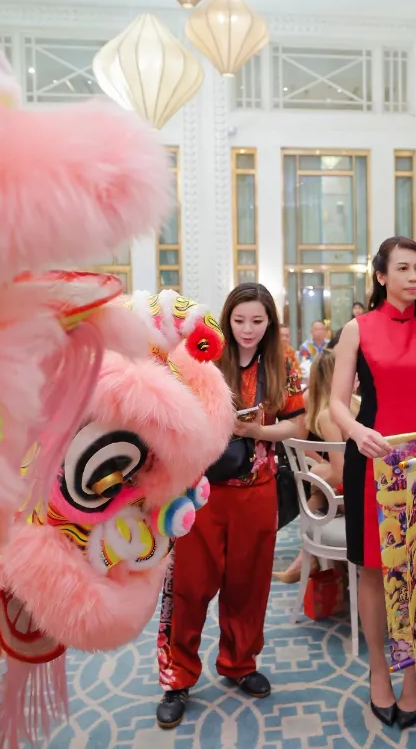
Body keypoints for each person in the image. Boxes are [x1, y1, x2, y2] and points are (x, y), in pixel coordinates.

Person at [329, 237, 416, 731]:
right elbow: (336, 403)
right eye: (403, 268)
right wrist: (356, 431)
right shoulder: (357, 329)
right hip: (372, 457)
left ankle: (414, 673)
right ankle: (378, 669)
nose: (413, 277)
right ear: (382, 276)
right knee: (372, 569)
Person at [157, 283, 307, 728]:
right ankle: (177, 676)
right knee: (190, 587)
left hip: (257, 489)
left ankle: (239, 662)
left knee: (249, 584)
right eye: (239, 320)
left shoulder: (282, 360)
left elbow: (297, 424)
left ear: (270, 322)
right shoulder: (204, 354)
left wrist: (257, 432)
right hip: (202, 492)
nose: (247, 329)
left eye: (257, 321)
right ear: (227, 319)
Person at [274, 349, 345, 584]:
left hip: (333, 470)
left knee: (320, 483)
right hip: (323, 466)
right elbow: (300, 444)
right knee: (320, 479)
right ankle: (310, 559)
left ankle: (307, 558)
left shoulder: (336, 405)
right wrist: (324, 462)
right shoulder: (314, 402)